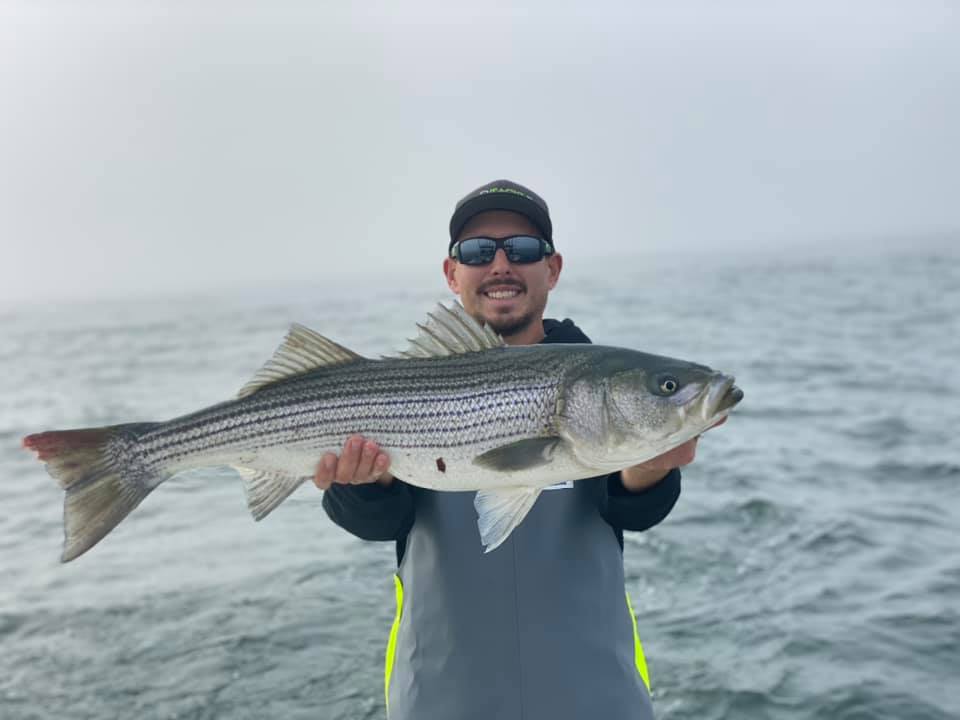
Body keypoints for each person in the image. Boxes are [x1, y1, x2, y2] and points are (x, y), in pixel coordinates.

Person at [314, 180, 709, 720]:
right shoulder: (400, 390)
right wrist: (364, 483)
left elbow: (633, 511)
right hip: (442, 699)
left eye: (522, 249)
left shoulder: (595, 381)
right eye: (478, 251)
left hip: (596, 699)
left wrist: (650, 471)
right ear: (452, 273)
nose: (501, 265)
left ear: (553, 268)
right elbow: (379, 523)